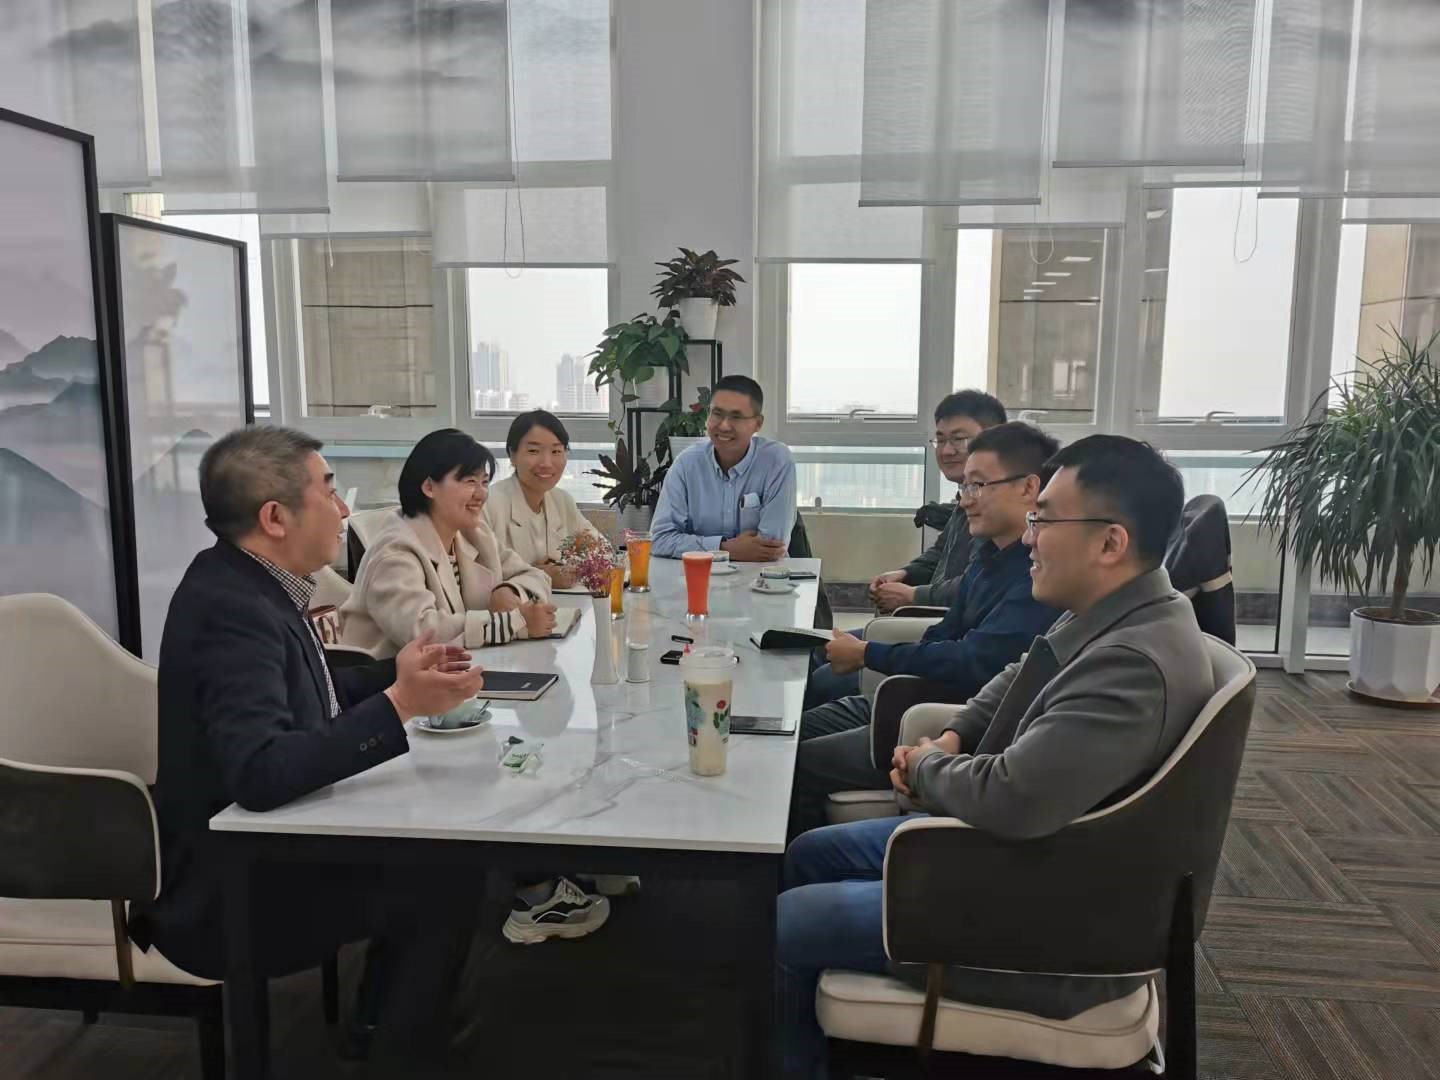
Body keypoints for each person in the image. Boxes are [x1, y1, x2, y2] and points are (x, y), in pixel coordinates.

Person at [776, 435, 1216, 1079]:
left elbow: (1012, 797)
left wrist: (927, 768)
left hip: (1045, 922)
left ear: (1110, 543)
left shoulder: (1132, 665)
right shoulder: (1118, 610)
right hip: (1033, 862)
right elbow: (1018, 674)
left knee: (785, 922)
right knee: (810, 854)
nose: (1031, 537)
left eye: (1047, 520)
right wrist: (954, 736)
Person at [127, 426, 489, 1063]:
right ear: (275, 517)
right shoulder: (233, 608)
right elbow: (261, 771)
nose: (344, 508)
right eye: (328, 490)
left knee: (443, 856)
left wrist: (398, 675)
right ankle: (398, 1048)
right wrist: (400, 705)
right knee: (445, 876)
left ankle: (381, 1021)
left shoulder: (248, 581)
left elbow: (307, 689)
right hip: (234, 882)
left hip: (268, 847)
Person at [789, 423, 1063, 836]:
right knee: (789, 733)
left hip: (935, 720)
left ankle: (796, 859)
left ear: (1028, 488)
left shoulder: (1034, 576)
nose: (965, 500)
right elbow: (944, 634)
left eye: (978, 486)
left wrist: (870, 654)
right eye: (965, 487)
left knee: (799, 762)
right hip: (906, 698)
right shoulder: (989, 554)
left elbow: (975, 661)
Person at [804, 389, 1006, 709]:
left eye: (959, 439)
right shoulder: (966, 495)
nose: (947, 450)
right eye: (940, 439)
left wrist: (913, 596)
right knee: (814, 650)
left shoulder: (997, 512)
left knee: (822, 677)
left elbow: (972, 585)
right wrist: (904, 574)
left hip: (937, 633)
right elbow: (939, 554)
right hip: (931, 630)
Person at [341, 428, 559, 657]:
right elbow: (422, 632)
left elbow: (536, 576)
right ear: (429, 487)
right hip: (387, 674)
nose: (481, 494)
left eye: (484, 482)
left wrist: (509, 590)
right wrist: (515, 624)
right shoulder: (394, 553)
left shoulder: (474, 535)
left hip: (460, 667)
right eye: (470, 481)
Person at [650, 374, 797, 561]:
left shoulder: (776, 461)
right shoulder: (686, 464)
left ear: (758, 424)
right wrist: (725, 548)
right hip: (700, 575)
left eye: (736, 417)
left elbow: (770, 548)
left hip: (763, 576)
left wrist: (699, 547)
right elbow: (659, 539)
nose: (724, 426)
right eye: (717, 414)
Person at [485, 409, 606, 590]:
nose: (547, 463)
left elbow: (602, 552)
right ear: (512, 455)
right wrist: (540, 575)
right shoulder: (490, 504)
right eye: (534, 451)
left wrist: (573, 567)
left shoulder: (562, 501)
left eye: (556, 451)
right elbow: (480, 577)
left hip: (567, 603)